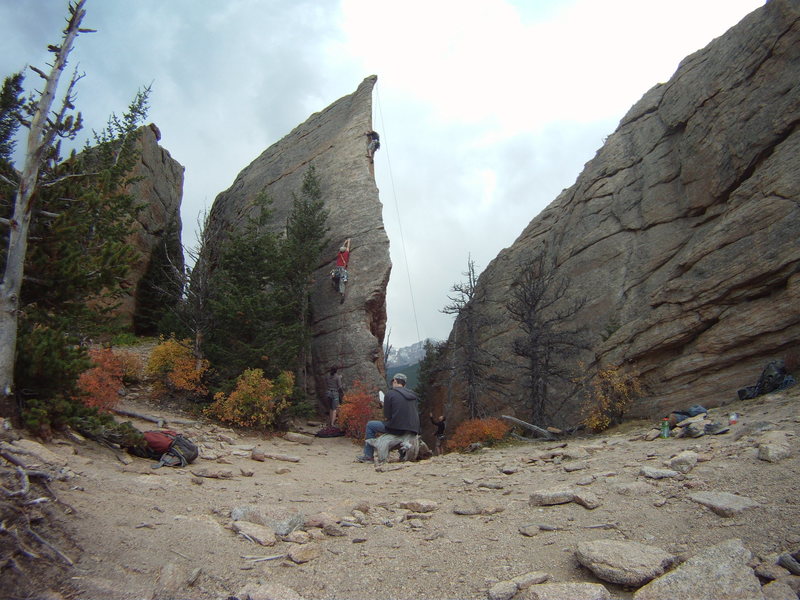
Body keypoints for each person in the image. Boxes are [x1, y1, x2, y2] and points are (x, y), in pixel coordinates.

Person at [356, 373, 420, 463]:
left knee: (370, 425)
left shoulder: (391, 394)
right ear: (404, 384)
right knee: (400, 424)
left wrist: (383, 404)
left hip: (397, 429)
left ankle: (368, 456)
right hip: (413, 429)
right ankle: (402, 455)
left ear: (395, 381)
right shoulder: (413, 395)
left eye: (393, 382)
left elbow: (387, 415)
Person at [318, 366, 344, 436]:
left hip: (328, 393)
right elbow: (339, 386)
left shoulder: (327, 376)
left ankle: (330, 421)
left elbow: (327, 382)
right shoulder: (337, 377)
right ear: (336, 370)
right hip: (334, 393)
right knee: (335, 408)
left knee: (330, 408)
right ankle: (332, 423)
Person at [331, 238, 351, 302]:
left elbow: (342, 248)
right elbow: (348, 247)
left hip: (337, 268)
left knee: (333, 276)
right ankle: (342, 294)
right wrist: (348, 241)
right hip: (343, 268)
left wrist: (344, 242)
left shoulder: (339, 254)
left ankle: (335, 284)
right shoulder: (346, 253)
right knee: (342, 282)